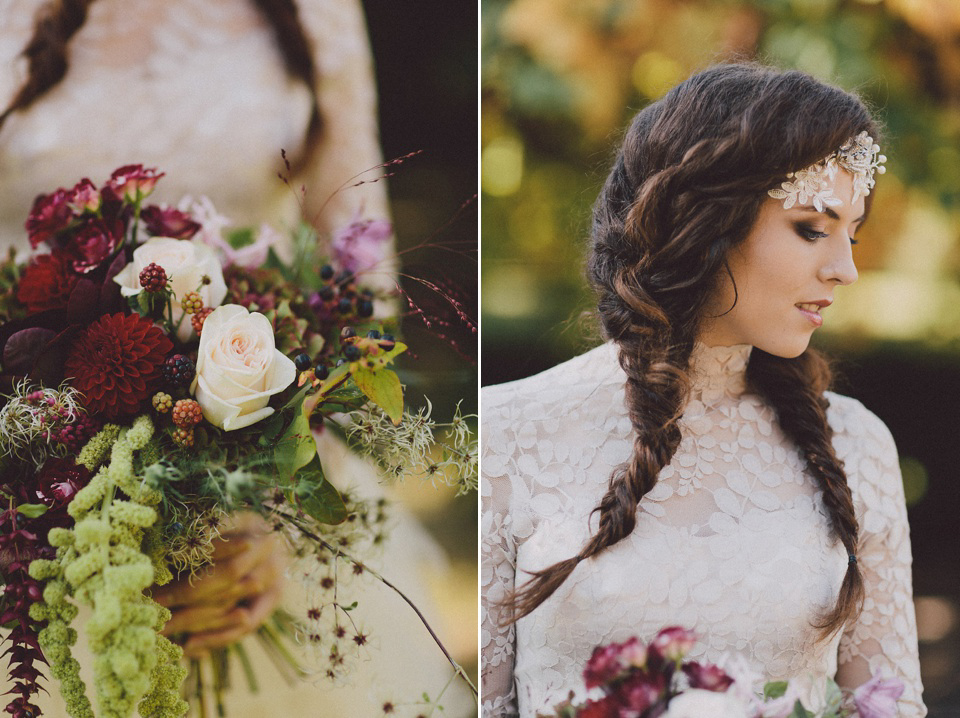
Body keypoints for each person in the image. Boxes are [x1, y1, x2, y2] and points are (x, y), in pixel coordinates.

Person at [0, 1, 472, 716]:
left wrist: (266, 501)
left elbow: (360, 267)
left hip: (258, 502)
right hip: (28, 501)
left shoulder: (318, 11)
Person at [480, 62, 925, 717]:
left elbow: (888, 705)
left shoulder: (859, 445)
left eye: (851, 235)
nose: (846, 269)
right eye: (812, 228)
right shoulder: (508, 431)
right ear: (707, 219)